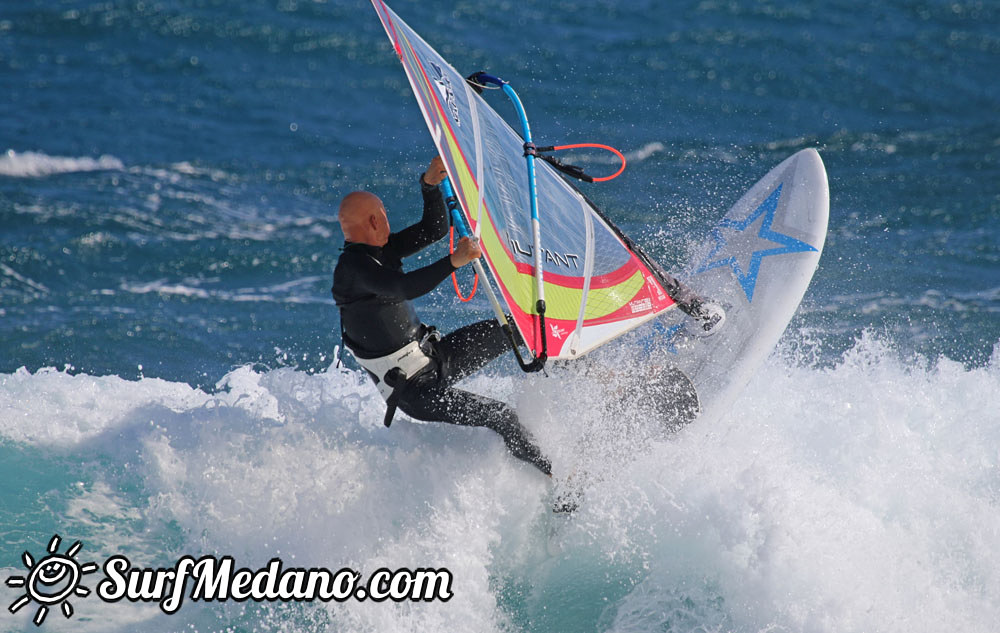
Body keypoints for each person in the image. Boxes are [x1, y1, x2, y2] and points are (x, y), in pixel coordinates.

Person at [332, 156, 552, 476]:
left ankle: (589, 368)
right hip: (415, 392)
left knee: (517, 328)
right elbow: (404, 287)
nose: (388, 221)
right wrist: (455, 261)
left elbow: (432, 230)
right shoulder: (352, 271)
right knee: (502, 415)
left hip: (436, 357)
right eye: (384, 216)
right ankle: (556, 475)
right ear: (376, 222)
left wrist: (430, 186)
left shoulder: (381, 252)